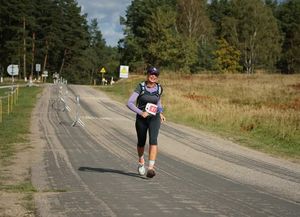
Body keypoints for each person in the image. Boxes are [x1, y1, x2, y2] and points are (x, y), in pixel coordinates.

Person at [127, 66, 166, 178]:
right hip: (142, 119)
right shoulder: (141, 87)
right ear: (147, 74)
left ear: (157, 77)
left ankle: (151, 168)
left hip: (154, 117)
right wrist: (140, 112)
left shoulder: (159, 88)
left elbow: (158, 101)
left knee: (153, 140)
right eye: (151, 74)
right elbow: (129, 103)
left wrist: (161, 112)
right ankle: (141, 161)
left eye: (156, 75)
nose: (153, 76)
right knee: (141, 142)